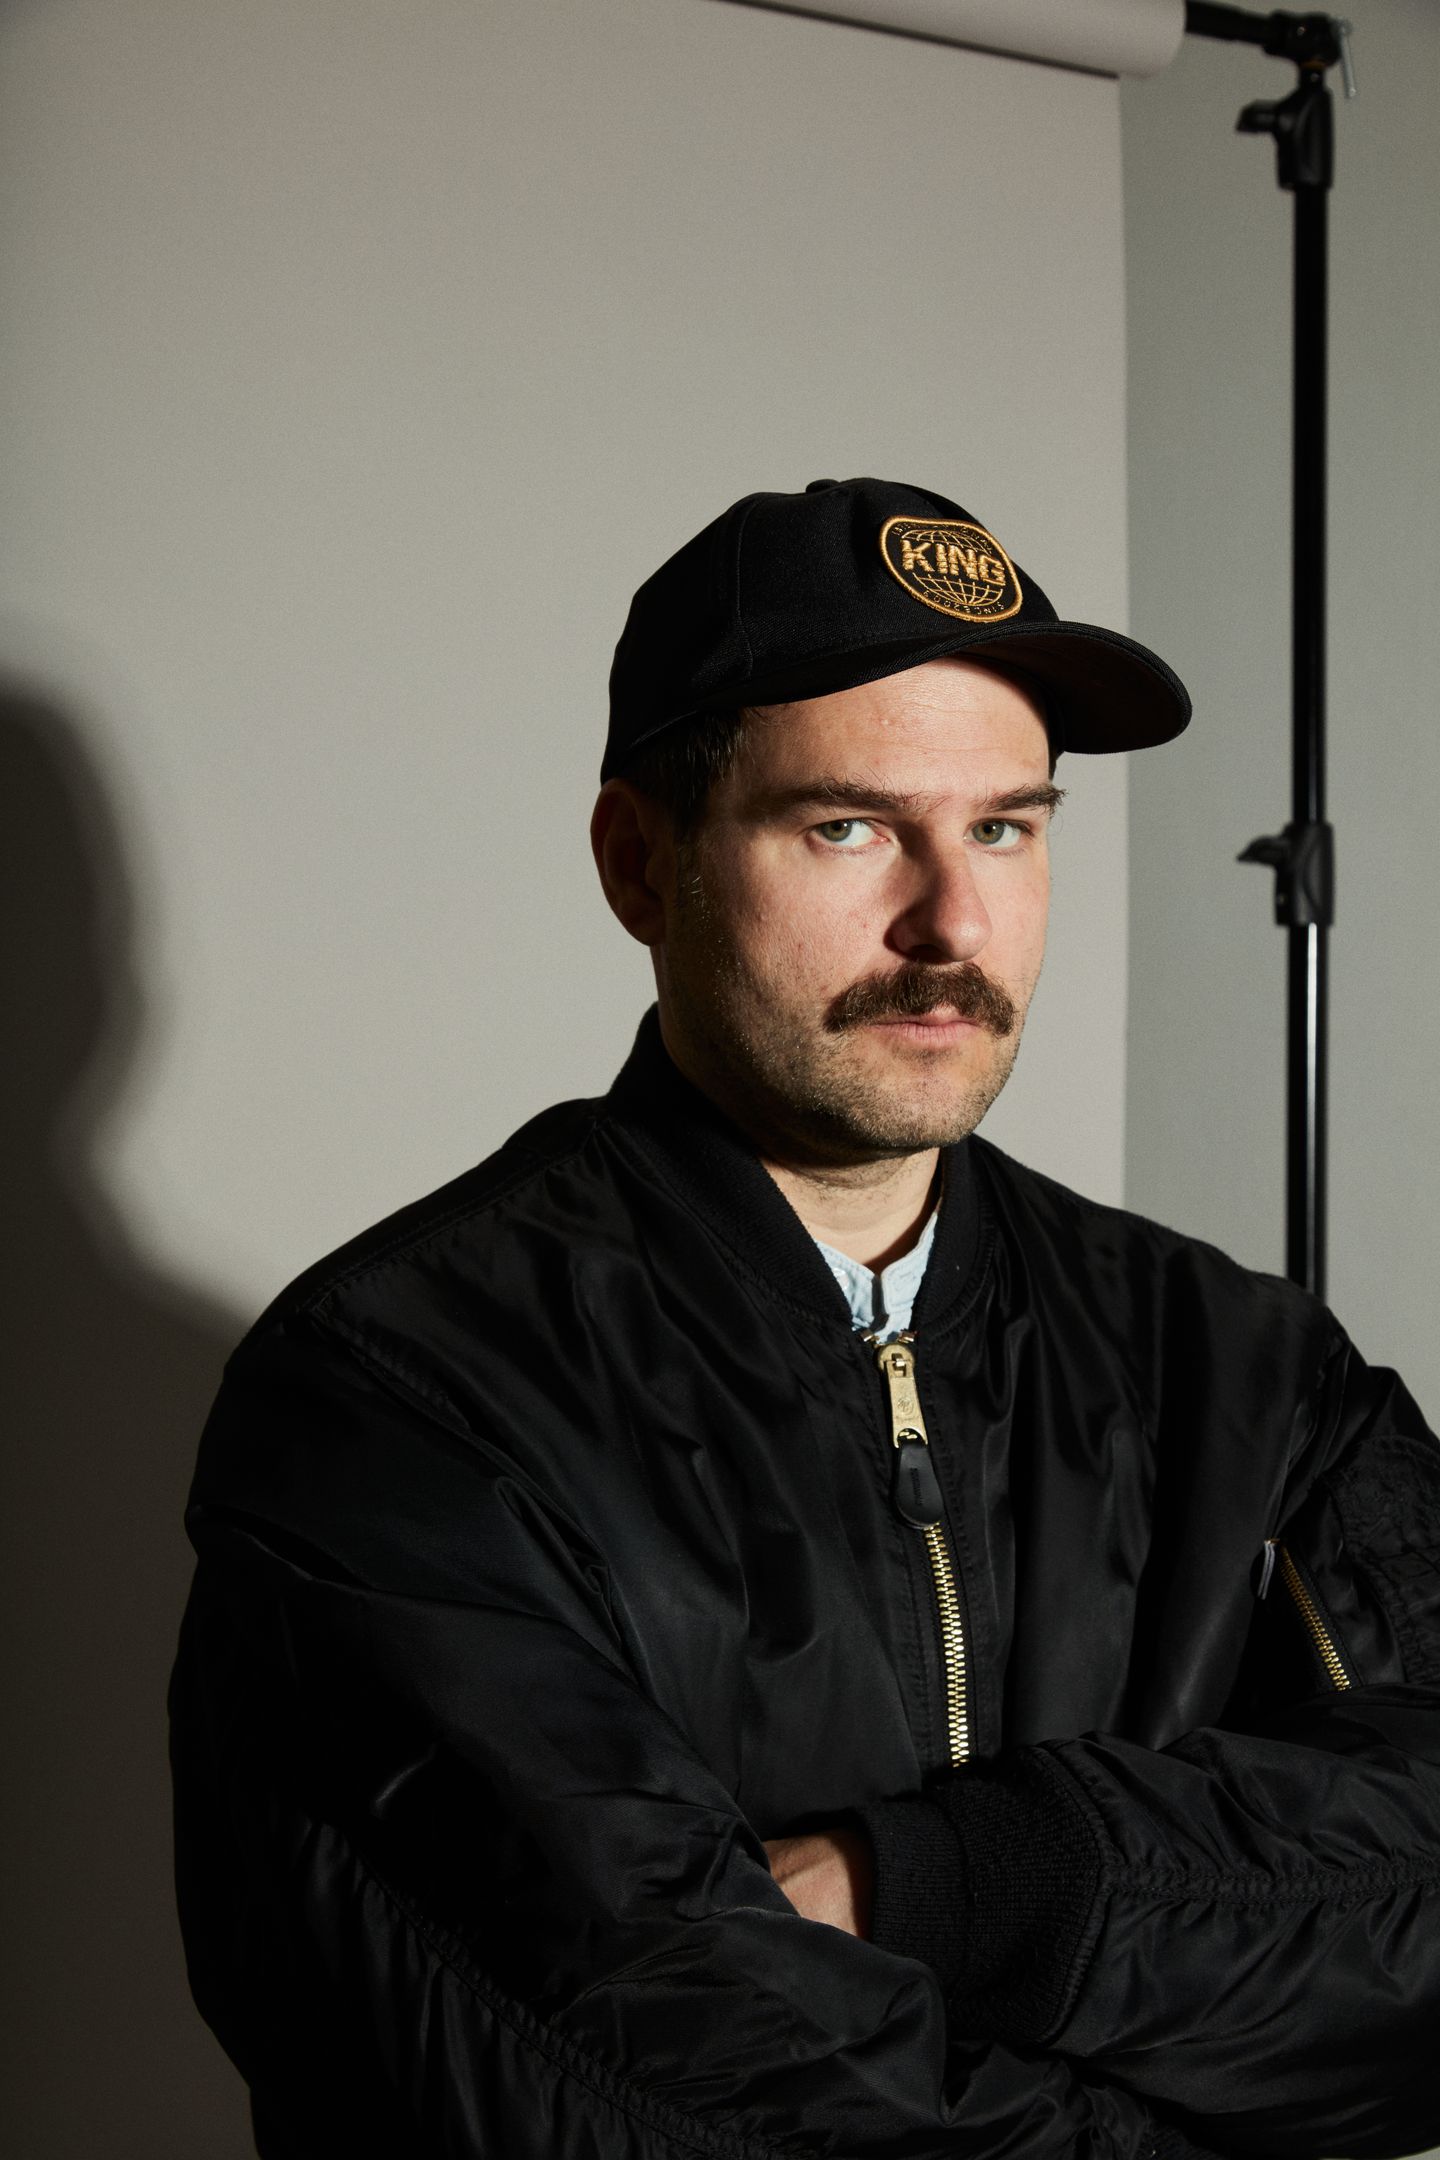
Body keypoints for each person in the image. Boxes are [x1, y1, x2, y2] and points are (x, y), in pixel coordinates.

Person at [170, 476, 1440, 2160]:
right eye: (849, 827)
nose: (953, 922)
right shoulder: (398, 1398)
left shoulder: (1246, 1370)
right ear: (641, 863)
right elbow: (628, 2077)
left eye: (1007, 828)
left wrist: (965, 1885)